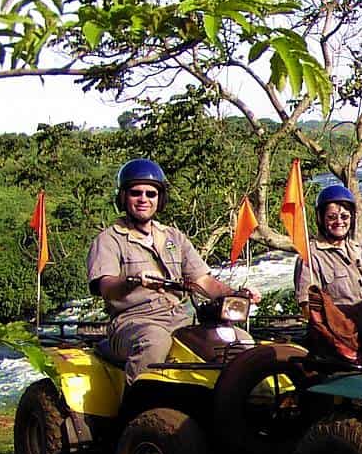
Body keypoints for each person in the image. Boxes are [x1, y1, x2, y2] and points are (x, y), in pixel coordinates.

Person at [86, 158, 261, 384]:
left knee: (239, 340)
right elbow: (106, 287)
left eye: (151, 194)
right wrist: (133, 281)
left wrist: (237, 294)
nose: (143, 200)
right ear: (122, 197)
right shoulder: (109, 239)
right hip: (133, 323)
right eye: (135, 193)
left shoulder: (173, 237)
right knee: (154, 341)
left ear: (160, 199)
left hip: (179, 318)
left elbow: (203, 281)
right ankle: (138, 412)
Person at [294, 183, 362, 315]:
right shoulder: (310, 257)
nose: (339, 222)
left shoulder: (360, 250)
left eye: (344, 216)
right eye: (332, 217)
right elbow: (308, 308)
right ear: (321, 219)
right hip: (336, 329)